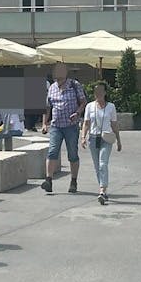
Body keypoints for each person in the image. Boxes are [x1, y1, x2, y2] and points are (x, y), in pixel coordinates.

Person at [40, 62, 87, 194]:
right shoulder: (52, 88)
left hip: (71, 126)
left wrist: (77, 113)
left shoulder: (74, 85)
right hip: (56, 126)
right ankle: (48, 180)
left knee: (72, 154)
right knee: (52, 152)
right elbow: (47, 107)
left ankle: (73, 181)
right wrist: (45, 123)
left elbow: (83, 102)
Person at [82, 82, 122, 204]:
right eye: (96, 91)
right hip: (93, 138)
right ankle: (103, 189)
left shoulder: (111, 107)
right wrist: (83, 137)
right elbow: (86, 123)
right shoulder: (89, 106)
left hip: (106, 138)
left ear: (105, 93)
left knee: (102, 164)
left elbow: (114, 124)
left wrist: (119, 140)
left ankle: (102, 191)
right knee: (96, 166)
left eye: (100, 91)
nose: (98, 94)